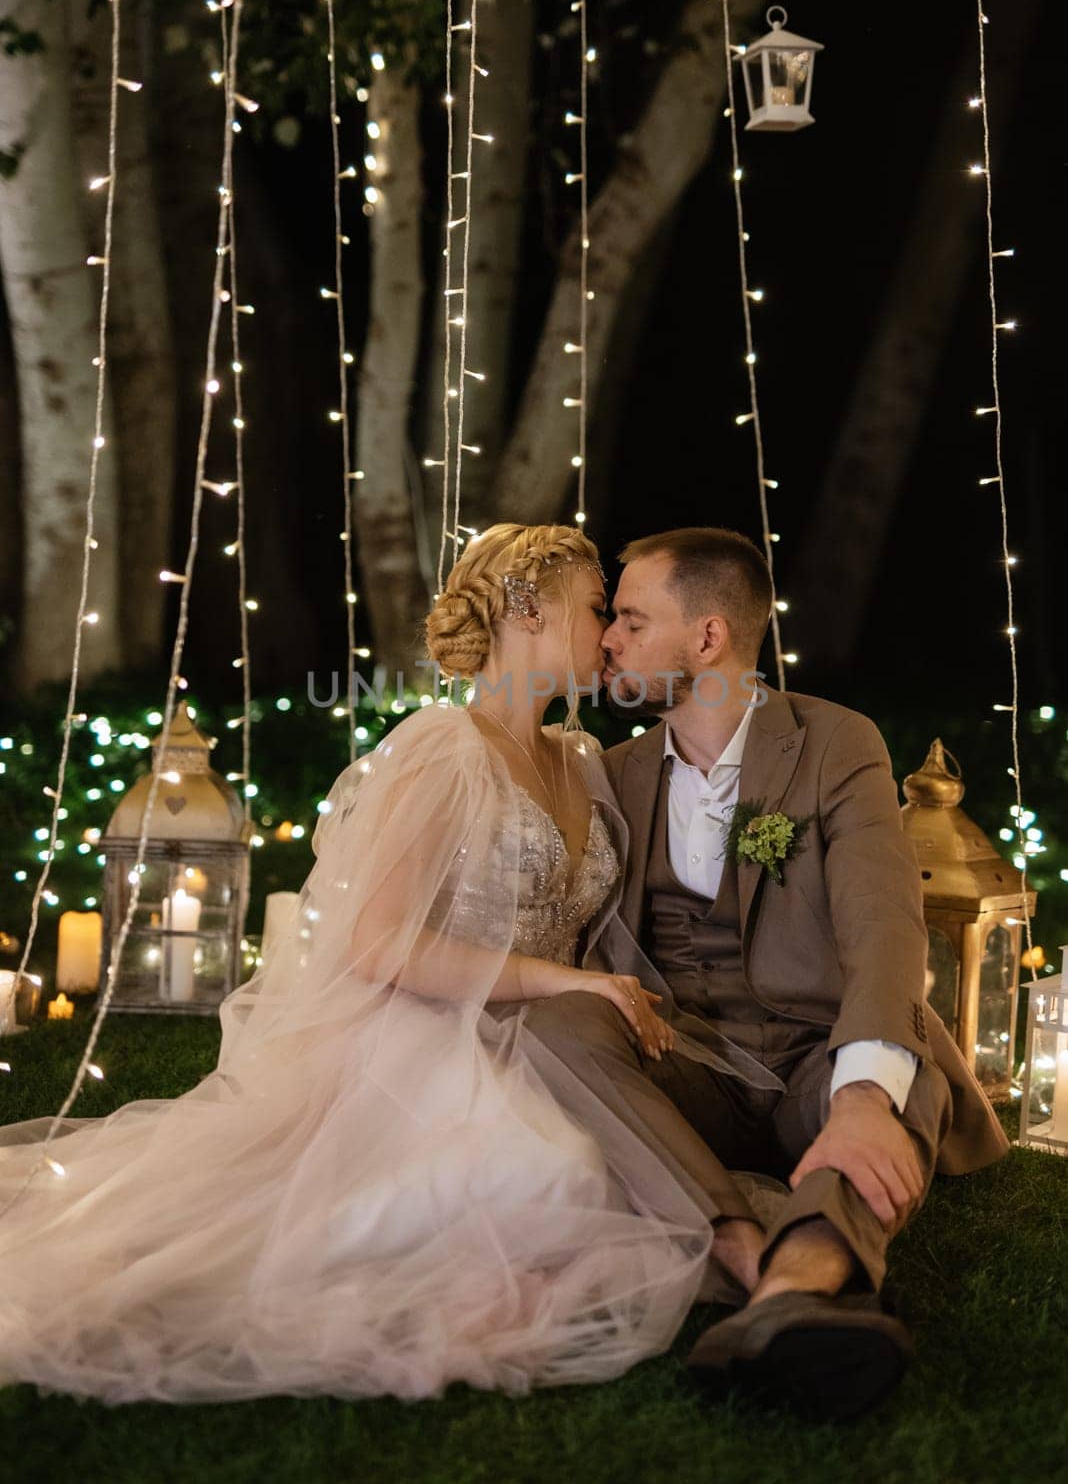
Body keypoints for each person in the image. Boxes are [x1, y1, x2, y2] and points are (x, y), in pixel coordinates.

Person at [0, 522, 741, 1405]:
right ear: (530, 609)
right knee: (551, 1175)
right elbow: (378, 943)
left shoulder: (581, 761)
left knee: (597, 1168)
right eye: (597, 610)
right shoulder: (442, 749)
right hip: (426, 1032)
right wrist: (563, 980)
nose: (613, 637)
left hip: (558, 1042)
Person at [523, 526, 1010, 1420]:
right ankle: (760, 1260)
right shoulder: (613, 771)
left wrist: (860, 1097)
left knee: (902, 1084)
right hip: (688, 1063)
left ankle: (790, 1296)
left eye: (631, 619)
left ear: (707, 639)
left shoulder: (833, 742)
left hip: (816, 1056)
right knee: (556, 1026)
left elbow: (882, 923)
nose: (608, 640)